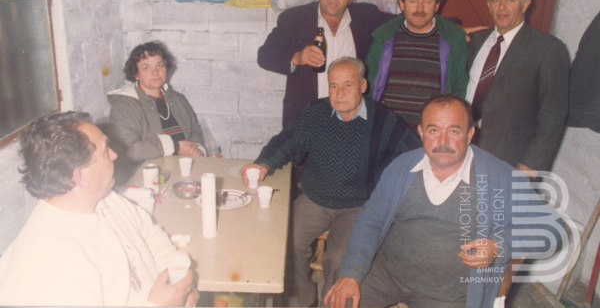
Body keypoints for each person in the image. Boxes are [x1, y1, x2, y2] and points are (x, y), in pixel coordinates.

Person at [324, 94, 560, 308]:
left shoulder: (500, 177)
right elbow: (371, 220)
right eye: (434, 130)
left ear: (470, 134)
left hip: (448, 295)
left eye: (454, 131)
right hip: (385, 275)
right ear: (421, 132)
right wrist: (351, 273)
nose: (443, 141)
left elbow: (552, 228)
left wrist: (499, 245)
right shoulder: (402, 167)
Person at [240, 57, 420, 306]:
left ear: (363, 86)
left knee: (339, 259)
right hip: (314, 199)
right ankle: (301, 302)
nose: (340, 93)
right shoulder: (316, 113)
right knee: (286, 243)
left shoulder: (384, 120)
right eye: (334, 86)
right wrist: (264, 163)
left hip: (358, 207)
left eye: (348, 85)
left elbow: (414, 158)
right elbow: (285, 141)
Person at [0, 112, 199, 306]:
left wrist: (180, 286)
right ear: (81, 176)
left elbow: (150, 235)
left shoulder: (104, 199)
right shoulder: (50, 261)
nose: (114, 155)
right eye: (105, 151)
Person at [257, 0, 395, 127]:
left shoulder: (366, 16)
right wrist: (297, 57)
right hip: (307, 119)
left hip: (351, 120)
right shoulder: (294, 19)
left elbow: (401, 23)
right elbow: (265, 56)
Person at [466, 0, 569, 174]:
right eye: (496, 0)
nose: (502, 7)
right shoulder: (475, 41)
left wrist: (532, 163)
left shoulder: (548, 49)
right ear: (488, 5)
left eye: (511, 0)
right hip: (465, 149)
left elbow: (553, 114)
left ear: (525, 4)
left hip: (512, 157)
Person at [366, 0, 468, 131]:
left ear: (437, 5)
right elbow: (369, 87)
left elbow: (460, 89)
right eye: (413, 1)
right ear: (402, 4)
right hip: (388, 132)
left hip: (431, 134)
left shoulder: (454, 42)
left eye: (427, 1)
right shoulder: (382, 38)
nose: (420, 8)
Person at [108, 41, 206, 180]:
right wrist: (176, 147)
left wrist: (197, 150)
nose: (155, 72)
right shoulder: (123, 107)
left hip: (184, 171)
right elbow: (129, 150)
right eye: (146, 67)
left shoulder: (178, 98)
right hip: (146, 177)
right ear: (136, 74)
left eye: (159, 65)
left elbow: (194, 130)